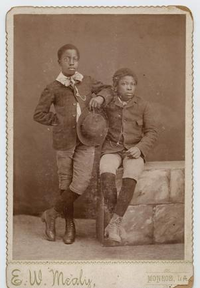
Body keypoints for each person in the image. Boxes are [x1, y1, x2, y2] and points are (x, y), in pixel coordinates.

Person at [33, 44, 112, 244]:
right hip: (64, 141)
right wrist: (58, 120)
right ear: (59, 61)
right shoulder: (53, 87)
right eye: (67, 58)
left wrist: (101, 97)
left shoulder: (87, 82)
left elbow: (108, 89)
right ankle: (69, 225)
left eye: (75, 58)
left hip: (87, 139)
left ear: (78, 61)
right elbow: (39, 114)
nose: (71, 62)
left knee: (81, 181)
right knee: (65, 183)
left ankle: (51, 214)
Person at [99, 68, 158, 244]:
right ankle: (114, 224)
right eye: (124, 84)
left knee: (130, 176)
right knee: (106, 171)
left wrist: (140, 148)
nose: (129, 88)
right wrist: (102, 96)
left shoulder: (143, 105)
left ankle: (114, 223)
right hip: (112, 149)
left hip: (134, 151)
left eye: (132, 84)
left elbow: (152, 132)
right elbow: (101, 91)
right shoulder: (108, 103)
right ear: (116, 86)